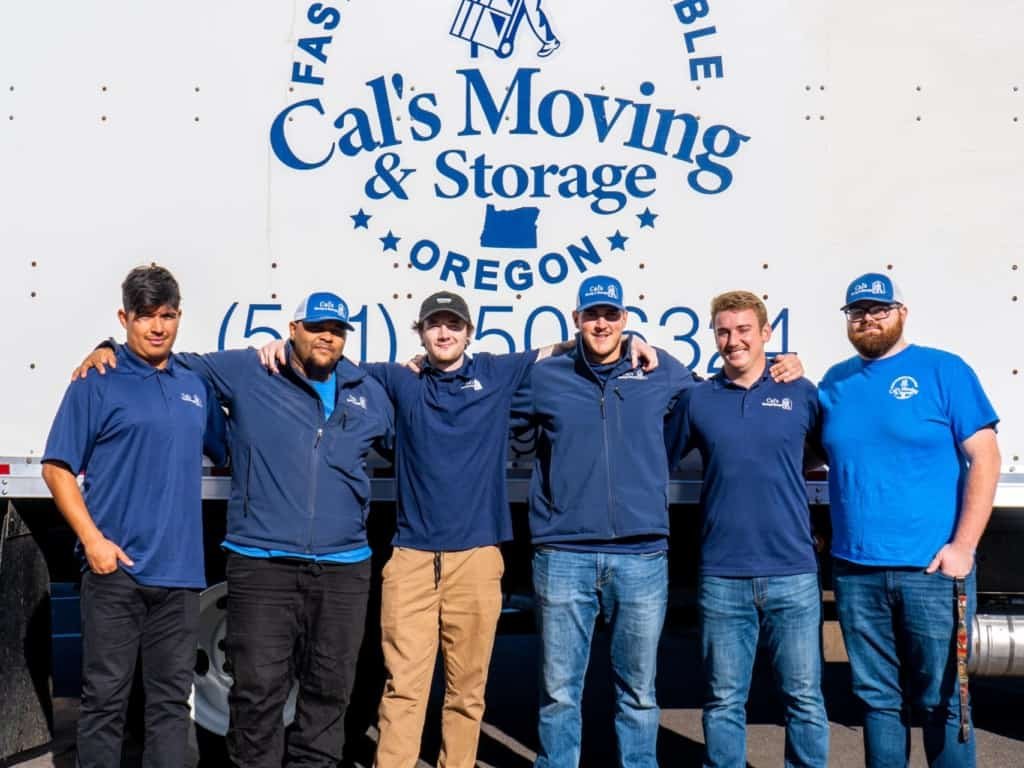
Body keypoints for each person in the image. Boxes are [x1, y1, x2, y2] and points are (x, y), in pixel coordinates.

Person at [258, 289, 656, 768]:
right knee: (403, 688)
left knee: (466, 693)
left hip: (477, 558)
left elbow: (565, 346)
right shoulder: (396, 380)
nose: (444, 333)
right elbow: (325, 357)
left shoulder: (496, 372)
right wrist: (274, 349)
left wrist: (632, 338)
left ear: (469, 332)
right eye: (434, 325)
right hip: (411, 559)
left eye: (454, 325)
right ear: (421, 333)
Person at [75, 291, 394, 768]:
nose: (326, 336)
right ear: (293, 329)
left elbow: (415, 420)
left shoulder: (368, 390)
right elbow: (165, 357)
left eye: (337, 329)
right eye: (315, 327)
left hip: (344, 569)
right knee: (258, 694)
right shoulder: (250, 370)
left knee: (330, 693)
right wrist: (107, 347)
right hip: (262, 563)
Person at [512, 277, 804, 768]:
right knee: (560, 692)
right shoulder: (547, 378)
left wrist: (784, 365)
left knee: (639, 692)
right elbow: (483, 400)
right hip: (563, 554)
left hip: (642, 555)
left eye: (610, 315)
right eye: (591, 315)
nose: (601, 323)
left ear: (625, 320)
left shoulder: (662, 370)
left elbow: (727, 393)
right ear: (576, 320)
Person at [43, 265, 226, 768]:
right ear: (124, 318)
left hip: (182, 575)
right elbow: (57, 468)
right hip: (115, 573)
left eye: (167, 315)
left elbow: (227, 447)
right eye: (145, 316)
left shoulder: (195, 386)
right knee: (105, 701)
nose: (157, 327)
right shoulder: (96, 380)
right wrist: (94, 543)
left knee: (170, 705)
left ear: (179, 317)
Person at [818, 272, 1001, 767]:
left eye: (879, 309)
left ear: (902, 313)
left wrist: (962, 546)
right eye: (858, 312)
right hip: (856, 571)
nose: (869, 318)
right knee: (877, 702)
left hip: (932, 570)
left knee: (943, 701)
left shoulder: (943, 370)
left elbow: (985, 458)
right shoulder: (835, 382)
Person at [665, 290, 828, 768]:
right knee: (722, 703)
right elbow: (655, 456)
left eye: (743, 331)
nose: (733, 341)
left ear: (766, 334)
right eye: (723, 331)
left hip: (793, 571)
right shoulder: (699, 400)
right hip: (722, 573)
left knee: (804, 701)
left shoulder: (802, 393)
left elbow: (827, 454)